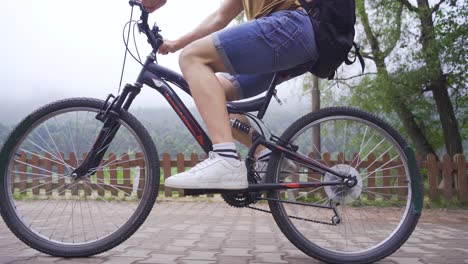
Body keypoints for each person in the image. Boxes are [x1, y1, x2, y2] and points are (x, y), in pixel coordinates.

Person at [141, 0, 317, 189]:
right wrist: (176, 44)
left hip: (289, 27)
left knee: (191, 57)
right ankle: (267, 155)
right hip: (288, 39)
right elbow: (220, 18)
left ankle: (225, 158)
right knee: (214, 95)